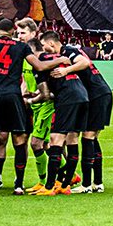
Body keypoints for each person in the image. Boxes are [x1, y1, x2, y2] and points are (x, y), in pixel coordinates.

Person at [0, 17, 63, 195]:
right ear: (12, 31)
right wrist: (61, 60)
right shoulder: (21, 47)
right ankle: (18, 184)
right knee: (20, 140)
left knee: (2, 137)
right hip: (12, 95)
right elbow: (40, 66)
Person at [28, 30, 91, 195]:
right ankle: (65, 185)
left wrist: (29, 100)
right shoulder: (57, 57)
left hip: (68, 99)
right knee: (72, 139)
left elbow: (46, 94)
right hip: (82, 96)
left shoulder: (39, 63)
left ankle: (49, 187)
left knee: (56, 139)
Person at [54, 36, 113, 193]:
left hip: (96, 95)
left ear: (51, 43)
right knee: (92, 138)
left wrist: (65, 70)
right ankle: (98, 183)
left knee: (88, 138)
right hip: (102, 93)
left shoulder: (68, 51)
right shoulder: (70, 51)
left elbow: (84, 63)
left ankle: (86, 185)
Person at [14, 18, 53, 189]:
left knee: (46, 143)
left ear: (33, 33)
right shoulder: (23, 54)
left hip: (45, 104)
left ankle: (56, 180)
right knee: (42, 144)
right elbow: (25, 79)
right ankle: (56, 179)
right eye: (18, 33)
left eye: (23, 33)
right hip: (32, 104)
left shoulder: (41, 55)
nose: (19, 36)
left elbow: (47, 84)